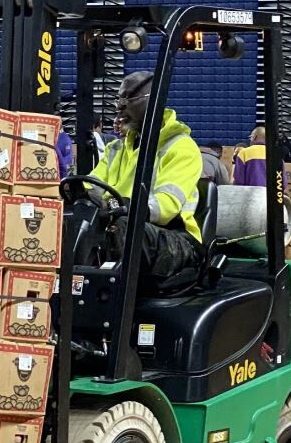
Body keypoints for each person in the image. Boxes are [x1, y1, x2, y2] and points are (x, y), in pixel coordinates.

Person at [87, 72, 204, 296]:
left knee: (122, 227)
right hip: (126, 225)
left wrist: (118, 206)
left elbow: (164, 208)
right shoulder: (118, 148)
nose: (119, 108)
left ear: (151, 100)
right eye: (118, 100)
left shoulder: (181, 147)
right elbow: (92, 186)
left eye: (126, 100)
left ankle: (115, 306)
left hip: (176, 240)